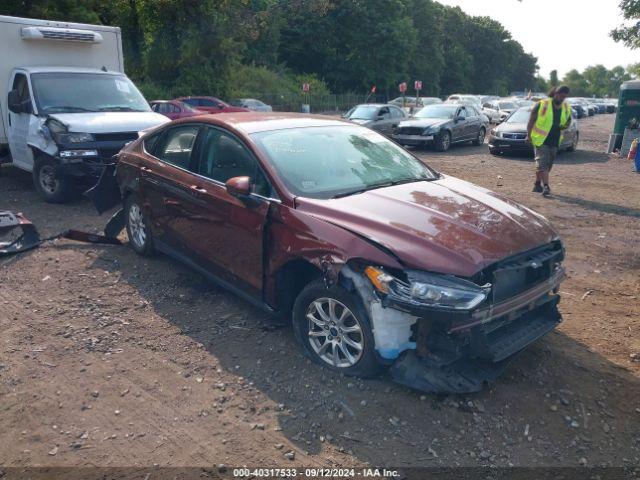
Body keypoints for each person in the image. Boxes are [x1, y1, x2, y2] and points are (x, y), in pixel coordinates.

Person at [526, 85, 572, 196]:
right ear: (555, 94)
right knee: (543, 164)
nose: (562, 99)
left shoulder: (566, 107)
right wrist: (528, 135)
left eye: (564, 97)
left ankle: (537, 183)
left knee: (548, 165)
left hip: (555, 140)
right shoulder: (542, 104)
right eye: (560, 96)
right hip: (540, 140)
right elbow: (531, 120)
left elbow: (568, 120)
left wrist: (565, 126)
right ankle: (546, 187)